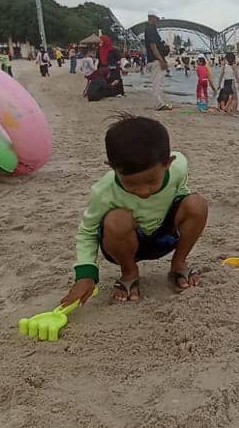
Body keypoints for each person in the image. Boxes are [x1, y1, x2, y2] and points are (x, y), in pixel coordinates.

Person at [61, 115, 208, 304]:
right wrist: (86, 274)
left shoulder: (179, 167)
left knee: (196, 204)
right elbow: (87, 231)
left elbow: (181, 193)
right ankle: (129, 272)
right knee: (116, 219)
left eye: (151, 182)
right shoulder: (104, 191)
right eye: (131, 184)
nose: (143, 192)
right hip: (123, 245)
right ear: (112, 168)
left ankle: (179, 263)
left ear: (168, 163)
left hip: (165, 238)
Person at [144, 14, 172, 111]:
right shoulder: (150, 29)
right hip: (155, 60)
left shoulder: (151, 29)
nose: (158, 20)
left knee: (158, 83)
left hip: (154, 59)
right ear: (151, 17)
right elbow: (153, 46)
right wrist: (161, 60)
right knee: (157, 83)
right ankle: (159, 103)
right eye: (157, 18)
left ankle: (160, 102)